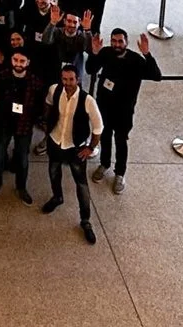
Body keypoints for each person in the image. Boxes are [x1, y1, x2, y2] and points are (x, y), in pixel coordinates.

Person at [86, 30, 161, 194]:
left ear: (126, 42)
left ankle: (120, 173)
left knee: (121, 141)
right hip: (104, 107)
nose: (116, 45)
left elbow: (156, 76)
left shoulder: (136, 60)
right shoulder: (106, 53)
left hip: (124, 111)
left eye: (120, 41)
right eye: (114, 41)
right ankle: (104, 163)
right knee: (104, 137)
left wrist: (147, 54)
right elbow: (90, 69)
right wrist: (94, 53)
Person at [42, 65, 103, 245]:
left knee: (81, 184)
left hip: (75, 147)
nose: (67, 83)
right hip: (55, 141)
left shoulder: (88, 101)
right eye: (64, 79)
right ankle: (57, 197)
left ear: (78, 80)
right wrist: (46, 124)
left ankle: (85, 220)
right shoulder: (55, 90)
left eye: (71, 79)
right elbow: (48, 103)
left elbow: (98, 128)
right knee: (53, 172)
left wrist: (90, 148)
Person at [0, 47, 43, 203]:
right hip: (3, 123)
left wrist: (32, 118)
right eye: (15, 60)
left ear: (28, 62)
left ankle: (21, 187)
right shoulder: (1, 77)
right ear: (11, 60)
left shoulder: (35, 81)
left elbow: (39, 105)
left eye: (22, 61)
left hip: (24, 125)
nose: (18, 64)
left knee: (22, 159)